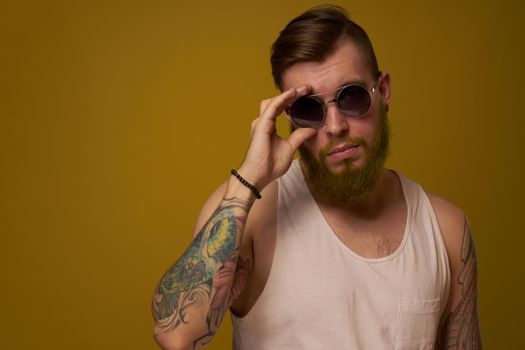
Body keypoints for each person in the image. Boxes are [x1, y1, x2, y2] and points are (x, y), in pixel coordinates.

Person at [151, 5, 482, 350]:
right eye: (310, 109)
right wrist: (250, 177)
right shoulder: (252, 211)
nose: (336, 127)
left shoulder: (446, 230)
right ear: (289, 118)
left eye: (351, 97)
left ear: (383, 91)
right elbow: (176, 335)